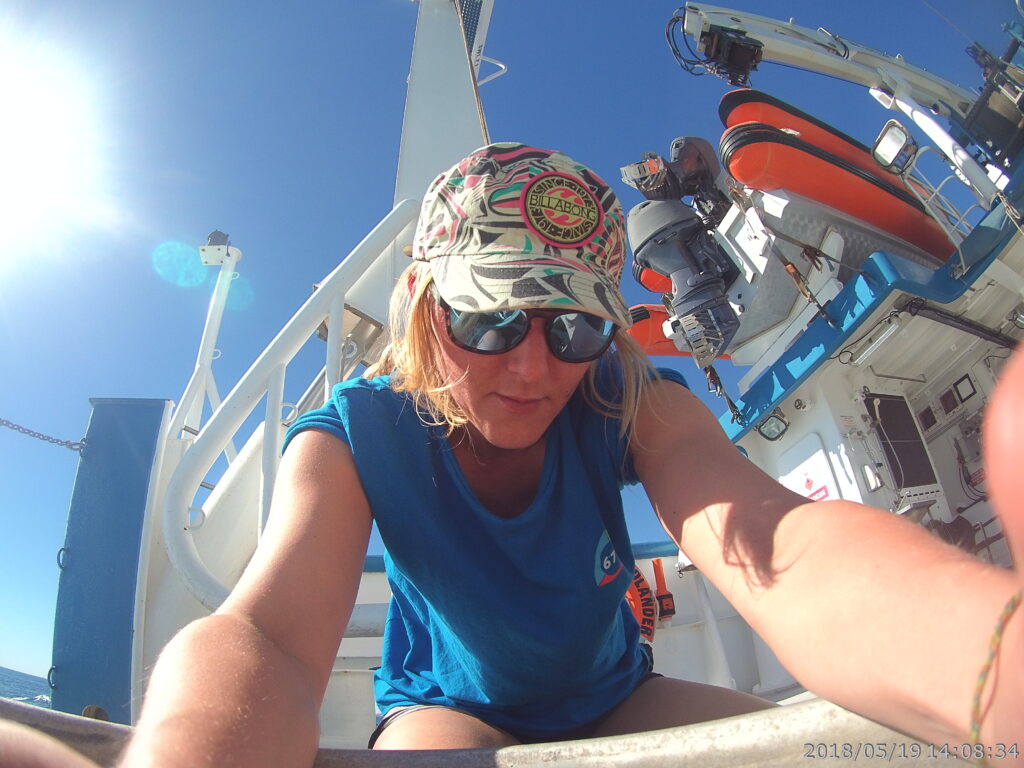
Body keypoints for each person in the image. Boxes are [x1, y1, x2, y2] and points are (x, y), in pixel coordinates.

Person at [3, 143, 1021, 766]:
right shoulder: (356, 434)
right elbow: (267, 641)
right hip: (456, 715)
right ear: (421, 307)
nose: (533, 368)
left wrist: (991, 680)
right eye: (489, 322)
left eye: (572, 329)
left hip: (617, 696)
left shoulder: (626, 399)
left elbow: (773, 545)